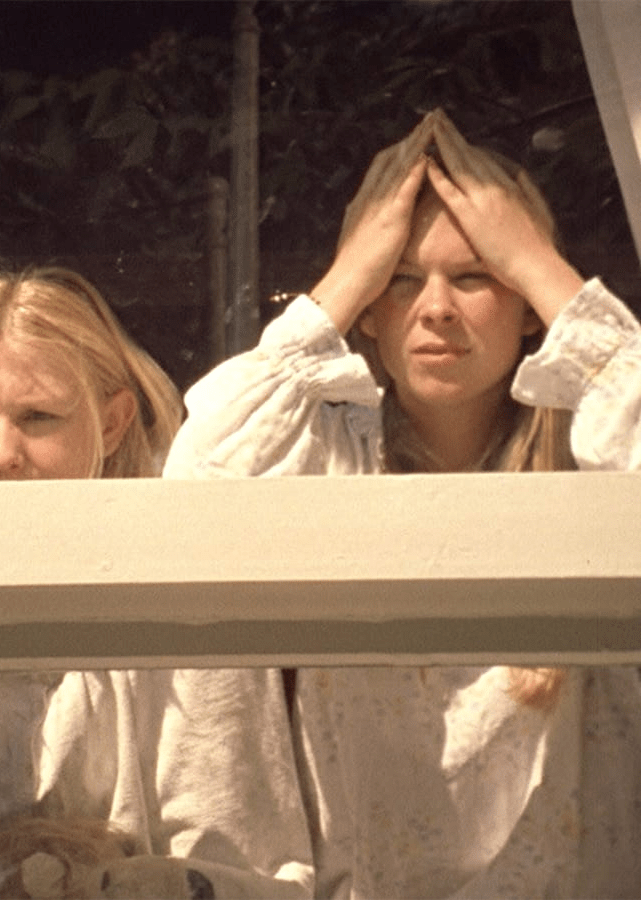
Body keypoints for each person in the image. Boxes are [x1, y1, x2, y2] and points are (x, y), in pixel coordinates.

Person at [165, 108, 641, 896]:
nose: (437, 308)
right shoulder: (334, 466)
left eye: (476, 276)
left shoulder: (593, 472)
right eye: (402, 279)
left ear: (527, 305)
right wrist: (348, 275)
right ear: (370, 310)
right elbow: (198, 477)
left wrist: (538, 265)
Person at [0, 267, 311, 898]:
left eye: (38, 417)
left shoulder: (182, 580)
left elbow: (242, 868)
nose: (1, 454)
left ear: (113, 421)